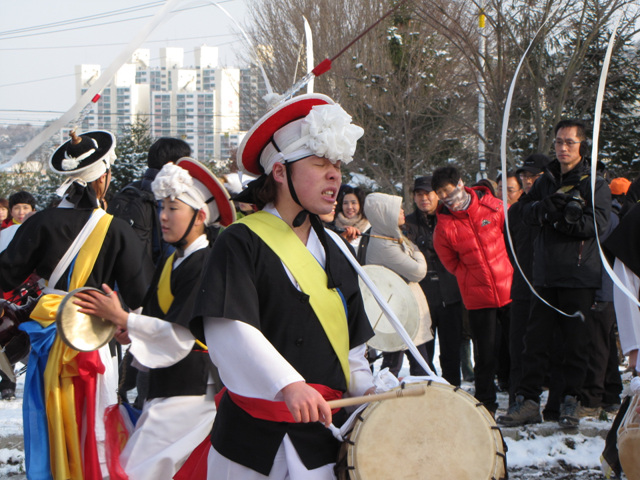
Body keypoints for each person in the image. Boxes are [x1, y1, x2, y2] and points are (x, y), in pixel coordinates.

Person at [189, 93, 376, 479]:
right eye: (320, 164)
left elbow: (352, 344)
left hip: (323, 437)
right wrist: (287, 384)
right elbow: (229, 328)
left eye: (337, 165)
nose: (335, 175)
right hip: (250, 443)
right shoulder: (239, 241)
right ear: (279, 172)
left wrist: (366, 391)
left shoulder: (337, 247)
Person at [75, 158, 236, 479]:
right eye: (161, 206)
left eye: (173, 208)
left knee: (136, 470)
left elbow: (179, 335)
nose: (163, 216)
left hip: (191, 391)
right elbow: (156, 321)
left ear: (200, 216)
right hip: (171, 387)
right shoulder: (175, 260)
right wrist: (128, 327)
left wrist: (126, 319)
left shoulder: (205, 263)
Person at [0, 130, 149, 479]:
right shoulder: (116, 230)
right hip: (96, 341)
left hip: (48, 340)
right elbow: (143, 295)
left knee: (50, 422)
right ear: (103, 178)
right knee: (95, 428)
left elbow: (5, 275)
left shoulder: (39, 223)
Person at [497, 119, 611, 428]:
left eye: (569, 143)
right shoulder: (545, 180)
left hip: (579, 274)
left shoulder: (594, 183)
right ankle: (528, 401)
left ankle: (569, 403)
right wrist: (545, 208)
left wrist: (561, 220)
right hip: (543, 275)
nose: (562, 148)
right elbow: (522, 213)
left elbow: (596, 225)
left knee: (576, 344)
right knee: (534, 342)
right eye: (559, 142)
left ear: (581, 146)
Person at [432, 166, 513, 415]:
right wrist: (471, 276)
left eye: (448, 190)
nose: (447, 197)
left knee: (512, 345)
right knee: (484, 350)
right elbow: (451, 263)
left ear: (460, 184)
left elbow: (511, 242)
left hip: (509, 288)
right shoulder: (444, 228)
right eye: (440, 194)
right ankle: (486, 399)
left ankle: (516, 391)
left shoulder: (494, 207)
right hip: (477, 296)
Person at [363, 191, 433, 377]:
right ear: (384, 214)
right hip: (398, 315)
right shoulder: (384, 245)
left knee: (412, 362)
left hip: (402, 313)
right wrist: (416, 249)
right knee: (398, 366)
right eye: (396, 209)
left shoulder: (389, 237)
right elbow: (418, 272)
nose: (403, 211)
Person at [403, 176, 463, 385]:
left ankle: (453, 391)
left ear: (437, 195)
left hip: (451, 294)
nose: (424, 198)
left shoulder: (451, 218)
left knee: (451, 352)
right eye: (419, 194)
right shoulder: (407, 224)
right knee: (422, 355)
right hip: (422, 296)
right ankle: (424, 393)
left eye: (428, 193)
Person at [507, 153, 550, 410]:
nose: (527, 180)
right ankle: (518, 399)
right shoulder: (515, 210)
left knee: (551, 345)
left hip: (550, 285)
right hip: (523, 284)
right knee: (519, 345)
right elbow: (509, 246)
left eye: (533, 176)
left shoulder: (552, 204)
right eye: (524, 175)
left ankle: (555, 401)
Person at [334, 185, 370, 258]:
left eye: (353, 203)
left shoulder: (369, 227)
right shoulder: (333, 225)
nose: (349, 207)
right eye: (345, 203)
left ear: (361, 204)